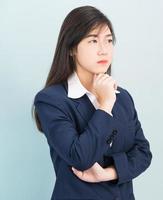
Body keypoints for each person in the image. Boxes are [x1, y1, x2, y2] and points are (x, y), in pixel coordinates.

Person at [32, 5, 152, 200]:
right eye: (93, 41)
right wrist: (105, 105)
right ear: (71, 48)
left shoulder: (122, 97)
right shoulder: (51, 100)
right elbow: (80, 157)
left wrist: (109, 173)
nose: (103, 50)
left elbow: (143, 153)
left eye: (109, 40)